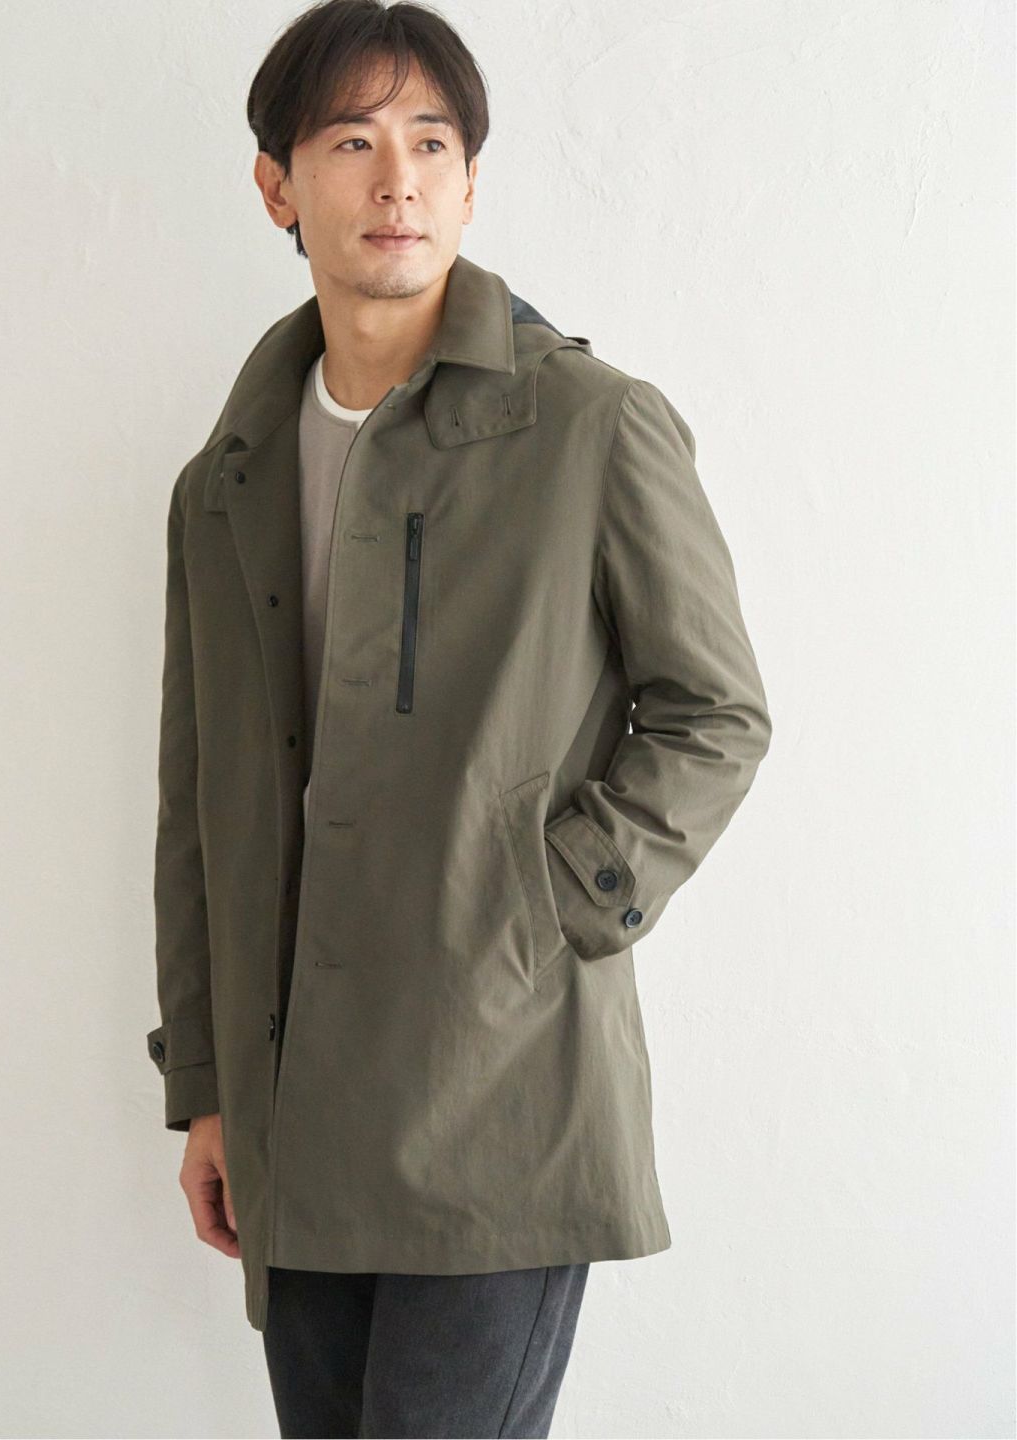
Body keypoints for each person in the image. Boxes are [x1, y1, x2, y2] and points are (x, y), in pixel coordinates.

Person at [145, 2, 773, 1435]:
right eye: (351, 142)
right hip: (294, 1112)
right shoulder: (224, 481)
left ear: (473, 183)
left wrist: (544, 910)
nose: (398, 181)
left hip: (503, 1097)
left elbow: (715, 711)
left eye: (433, 144)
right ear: (276, 185)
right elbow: (202, 802)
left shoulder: (590, 423)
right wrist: (208, 1086)